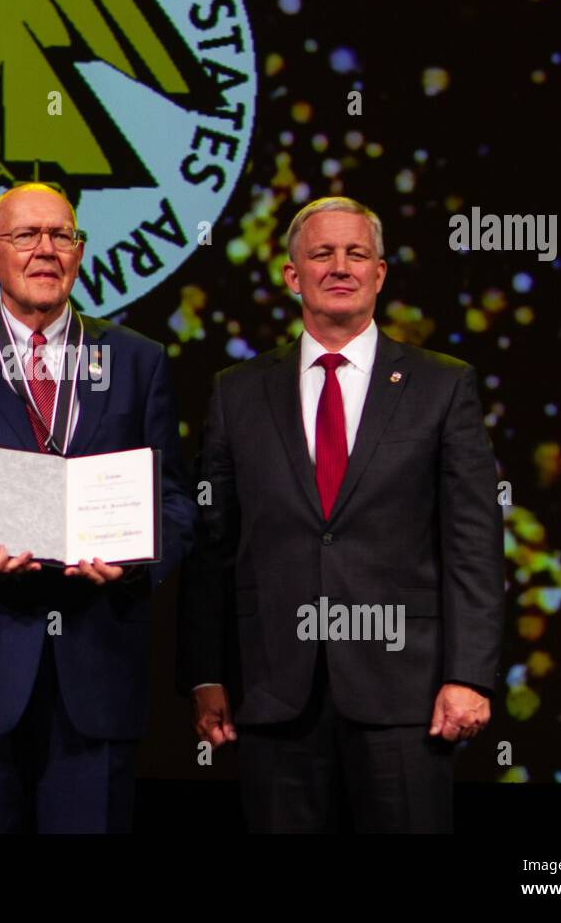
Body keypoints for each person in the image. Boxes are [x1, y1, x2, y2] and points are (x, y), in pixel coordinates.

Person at [0, 182, 195, 833]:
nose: (46, 249)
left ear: (80, 252)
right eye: (27, 236)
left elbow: (177, 503)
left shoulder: (137, 362)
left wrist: (136, 561)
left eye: (62, 235)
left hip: (97, 667)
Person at [178, 196, 503, 833]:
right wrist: (206, 673)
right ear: (292, 275)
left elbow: (473, 543)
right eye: (321, 253)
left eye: (357, 253)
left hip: (406, 696)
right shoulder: (237, 391)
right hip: (274, 695)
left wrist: (470, 675)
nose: (340, 266)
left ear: (380, 274)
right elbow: (213, 542)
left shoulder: (444, 386)